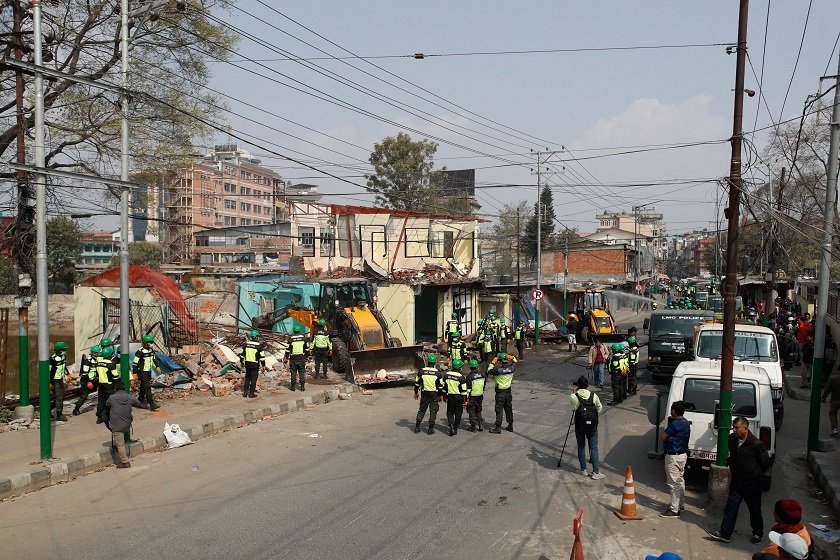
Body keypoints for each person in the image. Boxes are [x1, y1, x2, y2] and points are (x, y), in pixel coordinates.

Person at [708, 416, 772, 544]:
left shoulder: (756, 444)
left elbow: (765, 464)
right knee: (731, 507)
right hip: (737, 481)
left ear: (745, 428)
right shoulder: (732, 439)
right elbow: (733, 455)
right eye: (733, 427)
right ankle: (725, 533)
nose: (734, 430)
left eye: (737, 428)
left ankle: (758, 533)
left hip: (752, 483)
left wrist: (755, 474)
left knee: (754, 510)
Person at [104, 380, 149, 469]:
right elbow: (138, 404)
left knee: (120, 445)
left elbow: (107, 405)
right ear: (124, 389)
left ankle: (125, 462)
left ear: (115, 389)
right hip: (127, 424)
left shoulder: (112, 398)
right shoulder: (129, 397)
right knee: (119, 441)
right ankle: (119, 448)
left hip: (116, 425)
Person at [569, 375, 605, 480]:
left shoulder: (573, 396)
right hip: (592, 426)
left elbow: (573, 408)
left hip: (579, 425)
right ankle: (596, 472)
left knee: (581, 446)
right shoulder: (594, 396)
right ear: (588, 386)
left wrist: (574, 392)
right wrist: (591, 415)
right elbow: (599, 408)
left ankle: (583, 470)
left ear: (578, 386)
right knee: (593, 447)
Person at [660, 400, 690, 518]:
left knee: (673, 484)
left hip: (673, 456)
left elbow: (663, 437)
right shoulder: (686, 423)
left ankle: (674, 509)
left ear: (673, 410)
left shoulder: (674, 424)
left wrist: (670, 438)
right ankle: (680, 505)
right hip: (683, 455)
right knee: (680, 480)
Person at [487, 352, 517, 434]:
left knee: (499, 410)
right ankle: (510, 425)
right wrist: (510, 356)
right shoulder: (512, 368)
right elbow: (515, 360)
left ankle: (498, 428)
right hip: (508, 391)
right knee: (508, 409)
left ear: (500, 361)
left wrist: (493, 361)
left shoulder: (498, 370)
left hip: (500, 393)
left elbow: (489, 370)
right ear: (507, 360)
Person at [414, 354, 443, 434]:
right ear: (434, 363)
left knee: (422, 410)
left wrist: (416, 393)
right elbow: (440, 386)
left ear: (427, 362)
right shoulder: (438, 373)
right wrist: (441, 395)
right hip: (434, 394)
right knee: (433, 411)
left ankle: (417, 427)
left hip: (424, 393)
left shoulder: (421, 371)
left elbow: (417, 384)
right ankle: (430, 429)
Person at [132, 334, 160, 411]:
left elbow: (153, 360)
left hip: (148, 372)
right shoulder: (140, 352)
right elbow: (135, 363)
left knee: (143, 387)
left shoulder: (151, 351)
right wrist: (134, 373)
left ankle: (140, 400)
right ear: (145, 343)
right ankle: (151, 404)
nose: (151, 343)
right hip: (142, 372)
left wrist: (157, 366)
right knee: (147, 387)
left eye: (152, 342)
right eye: (150, 342)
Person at [73, 345, 100, 416]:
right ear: (92, 353)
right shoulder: (87, 361)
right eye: (95, 353)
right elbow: (85, 374)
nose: (97, 355)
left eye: (97, 353)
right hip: (86, 381)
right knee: (84, 395)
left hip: (92, 380)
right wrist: (88, 382)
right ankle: (76, 409)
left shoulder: (95, 360)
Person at [443, 359, 467, 436]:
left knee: (450, 412)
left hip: (450, 397)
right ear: (459, 368)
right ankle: (455, 428)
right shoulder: (461, 377)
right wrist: (465, 400)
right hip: (458, 397)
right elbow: (464, 391)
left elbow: (444, 388)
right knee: (458, 413)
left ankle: (451, 425)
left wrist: (444, 396)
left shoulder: (446, 375)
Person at [95, 346, 119, 424]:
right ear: (109, 355)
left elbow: (97, 375)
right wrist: (116, 385)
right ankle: (109, 416)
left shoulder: (98, 364)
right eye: (111, 354)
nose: (112, 355)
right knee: (110, 401)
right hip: (109, 385)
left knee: (101, 401)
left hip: (100, 384)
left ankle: (99, 417)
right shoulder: (112, 364)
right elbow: (115, 377)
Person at [49, 341, 70, 421]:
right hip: (54, 380)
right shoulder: (52, 359)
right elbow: (49, 371)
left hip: (60, 379)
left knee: (63, 395)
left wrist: (68, 374)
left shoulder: (64, 357)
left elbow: (64, 367)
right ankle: (59, 414)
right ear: (58, 350)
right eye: (63, 350)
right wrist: (49, 382)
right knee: (59, 397)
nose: (65, 351)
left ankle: (48, 409)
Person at [242, 329, 266, 397]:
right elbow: (262, 357)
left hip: (247, 364)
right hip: (255, 365)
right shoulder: (259, 346)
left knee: (247, 378)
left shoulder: (245, 345)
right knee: (253, 379)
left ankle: (245, 393)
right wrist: (263, 365)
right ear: (256, 337)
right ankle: (251, 393)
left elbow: (242, 355)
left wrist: (241, 362)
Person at [465, 358, 486, 432]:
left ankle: (473, 427)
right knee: (478, 410)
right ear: (477, 367)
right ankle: (480, 425)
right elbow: (484, 385)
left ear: (470, 367)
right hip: (480, 395)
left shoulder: (469, 377)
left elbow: (468, 389)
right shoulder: (483, 375)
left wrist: (466, 399)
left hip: (472, 396)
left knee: (472, 411)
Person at [283, 326, 306, 392]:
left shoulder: (290, 339)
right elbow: (306, 348)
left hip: (293, 359)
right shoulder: (304, 338)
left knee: (293, 372)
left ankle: (293, 387)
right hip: (301, 358)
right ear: (299, 331)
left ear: (294, 331)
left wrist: (286, 358)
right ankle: (302, 387)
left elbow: (287, 350)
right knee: (301, 372)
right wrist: (307, 357)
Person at [820, 368, 840, 437]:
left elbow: (827, 389)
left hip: (835, 399)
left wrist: (823, 397)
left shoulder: (833, 378)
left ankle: (834, 429)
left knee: (832, 413)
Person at [627, 332, 640, 397]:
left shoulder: (633, 351)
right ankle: (631, 389)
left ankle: (632, 390)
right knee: (632, 377)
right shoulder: (634, 349)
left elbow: (631, 361)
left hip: (633, 365)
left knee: (632, 377)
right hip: (635, 365)